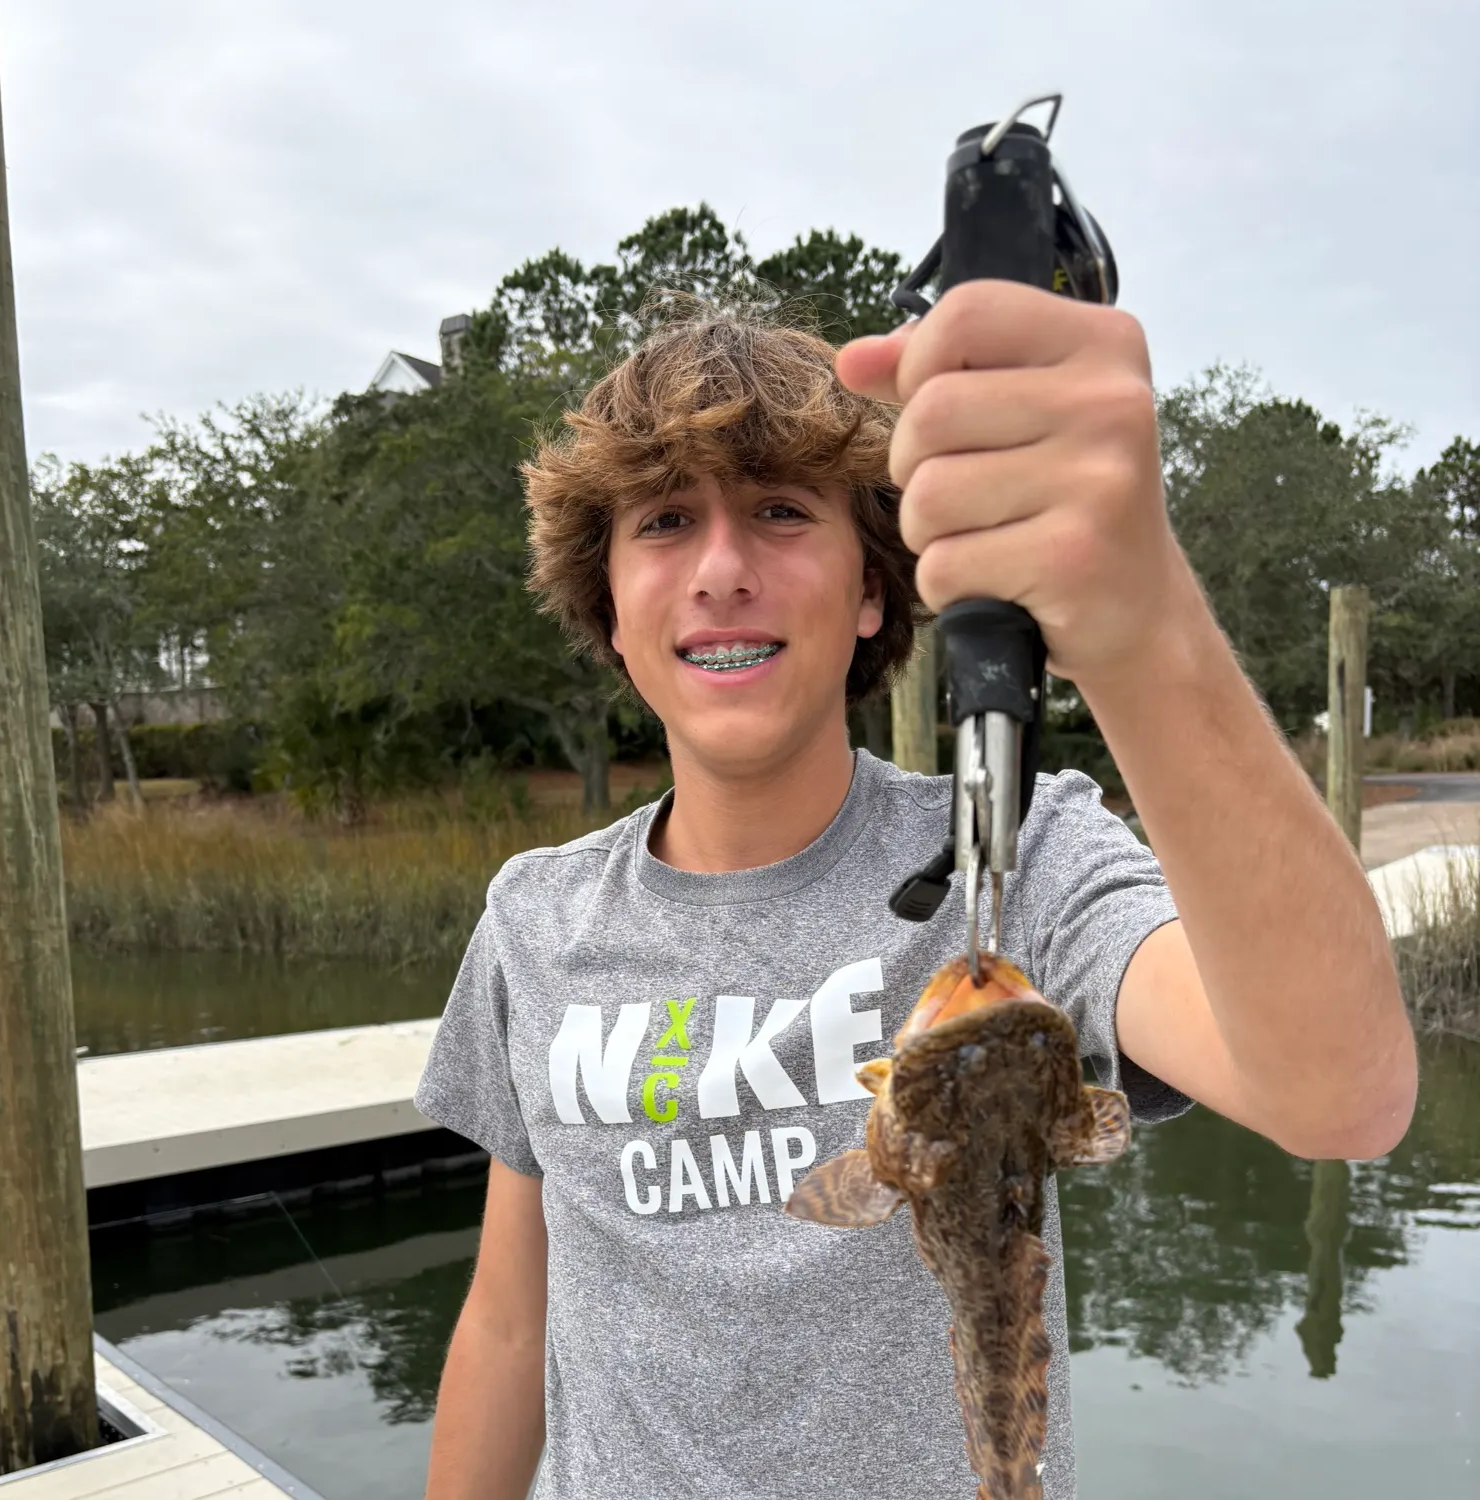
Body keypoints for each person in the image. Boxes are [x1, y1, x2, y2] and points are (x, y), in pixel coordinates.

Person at [414, 283, 1417, 1500]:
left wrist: (1139, 621)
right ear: (611, 608)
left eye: (782, 513)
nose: (722, 568)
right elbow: (512, 1324)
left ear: (875, 589)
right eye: (666, 522)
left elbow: (1340, 1093)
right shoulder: (535, 917)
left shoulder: (1016, 854)